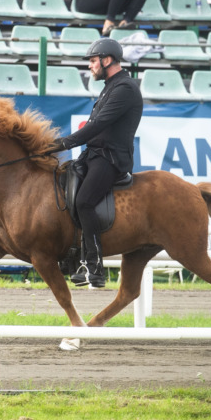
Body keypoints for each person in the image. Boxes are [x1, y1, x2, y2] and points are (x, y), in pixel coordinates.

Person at [49, 38, 143, 288]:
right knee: (64, 192)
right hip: (94, 155)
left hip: (112, 159)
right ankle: (74, 259)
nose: (90, 67)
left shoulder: (125, 88)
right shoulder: (110, 86)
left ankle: (94, 265)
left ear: (107, 60)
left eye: (92, 61)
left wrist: (64, 143)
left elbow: (98, 125)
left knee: (84, 201)